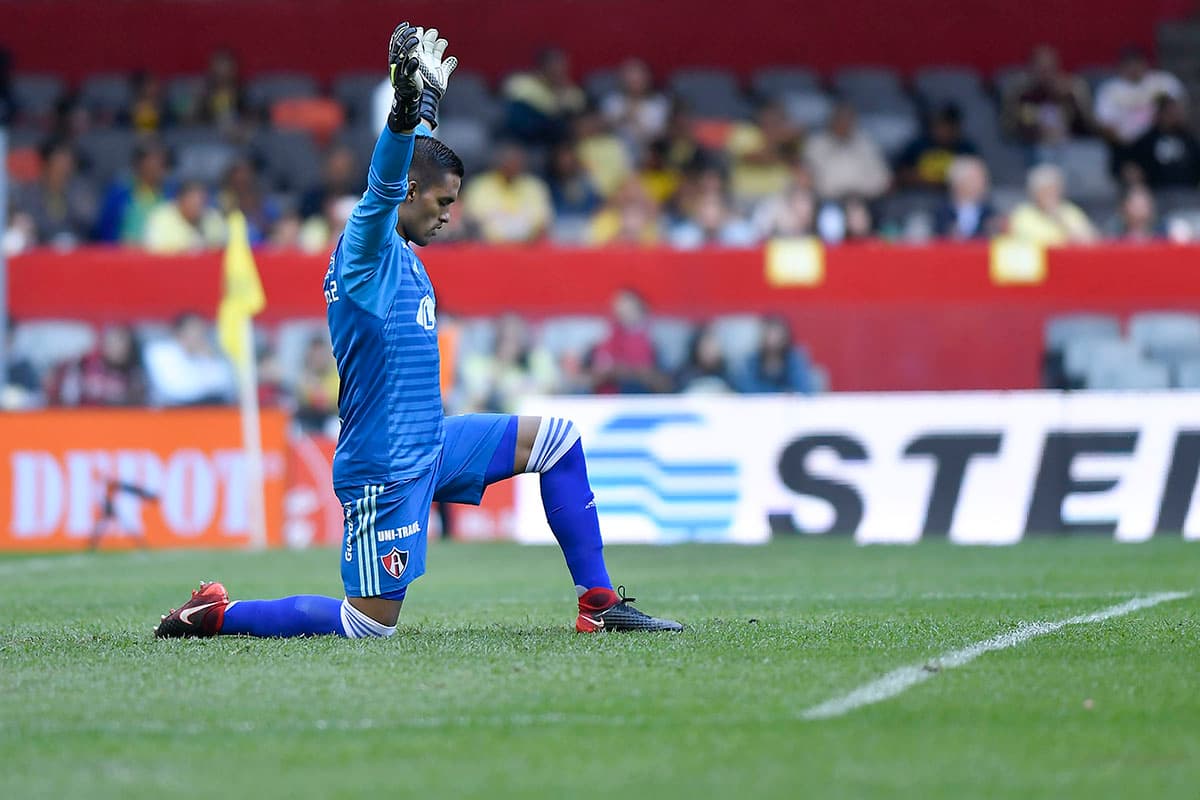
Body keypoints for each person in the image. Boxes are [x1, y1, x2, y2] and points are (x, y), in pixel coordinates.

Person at [155, 24, 681, 640]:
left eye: (454, 203)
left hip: (431, 442)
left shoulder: (401, 238)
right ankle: (216, 615)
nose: (448, 215)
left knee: (557, 442)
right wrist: (405, 118)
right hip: (385, 466)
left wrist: (424, 112)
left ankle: (599, 603)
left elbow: (409, 173)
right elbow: (386, 184)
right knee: (367, 628)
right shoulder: (366, 247)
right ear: (408, 194)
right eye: (442, 203)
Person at [460, 313, 560, 413]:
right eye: (504, 338)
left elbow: (552, 388)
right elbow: (477, 397)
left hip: (533, 416)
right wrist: (501, 365)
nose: (511, 343)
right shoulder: (477, 363)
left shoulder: (538, 358)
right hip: (496, 418)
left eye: (516, 336)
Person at [1002, 45, 1092, 157]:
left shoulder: (1069, 93)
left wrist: (1068, 98)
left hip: (1070, 147)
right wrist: (1040, 132)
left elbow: (1085, 129)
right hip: (1035, 148)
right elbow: (1022, 126)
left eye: (1050, 68)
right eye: (1041, 68)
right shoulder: (1025, 96)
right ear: (1031, 68)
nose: (1045, 73)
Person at [460, 139, 554, 242]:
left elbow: (542, 221)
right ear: (498, 163)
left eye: (516, 162)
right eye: (508, 161)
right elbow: (473, 220)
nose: (512, 165)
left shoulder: (535, 187)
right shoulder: (479, 186)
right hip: (487, 249)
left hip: (528, 249)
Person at [1095, 48, 1186, 152]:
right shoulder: (1110, 90)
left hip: (1161, 141)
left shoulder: (1163, 82)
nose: (1134, 68)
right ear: (1121, 67)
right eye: (1129, 64)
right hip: (1127, 146)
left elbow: (1180, 110)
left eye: (1137, 63)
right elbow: (1105, 125)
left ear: (1145, 64)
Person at [12, 139, 96, 247]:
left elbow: (89, 220)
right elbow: (27, 221)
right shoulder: (30, 192)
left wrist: (66, 192)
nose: (64, 167)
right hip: (41, 249)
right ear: (46, 163)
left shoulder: (81, 189)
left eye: (68, 162)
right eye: (59, 161)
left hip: (78, 249)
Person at [588, 287, 673, 394]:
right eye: (620, 305)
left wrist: (638, 372)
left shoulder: (656, 338)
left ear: (642, 308)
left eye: (630, 306)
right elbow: (594, 376)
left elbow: (666, 382)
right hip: (609, 396)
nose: (624, 310)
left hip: (645, 396)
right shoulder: (605, 337)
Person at [142, 312, 236, 405]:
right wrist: (206, 385)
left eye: (202, 331)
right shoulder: (159, 351)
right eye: (192, 330)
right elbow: (176, 389)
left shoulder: (206, 353)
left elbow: (225, 386)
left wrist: (209, 359)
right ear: (178, 332)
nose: (197, 336)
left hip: (207, 408)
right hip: (170, 411)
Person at [804, 103, 891, 200]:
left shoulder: (865, 143)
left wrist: (859, 192)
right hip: (827, 201)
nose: (844, 124)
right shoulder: (816, 144)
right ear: (831, 121)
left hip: (866, 200)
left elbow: (883, 179)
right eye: (840, 119)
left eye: (848, 120)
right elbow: (814, 182)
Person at [47, 324, 147, 406]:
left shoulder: (135, 375)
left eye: (122, 341)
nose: (117, 347)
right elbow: (65, 396)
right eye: (112, 341)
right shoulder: (84, 365)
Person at [93, 140, 170, 244]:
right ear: (139, 164)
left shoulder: (170, 195)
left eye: (161, 163)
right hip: (124, 256)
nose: (157, 168)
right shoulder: (119, 194)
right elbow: (106, 231)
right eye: (153, 162)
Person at [1120, 95, 1200, 189]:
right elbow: (1128, 164)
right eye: (1171, 113)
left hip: (1188, 193)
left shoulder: (1189, 140)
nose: (1176, 116)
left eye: (1178, 113)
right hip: (1155, 193)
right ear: (1160, 114)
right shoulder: (1146, 141)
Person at [1007, 163, 1098, 246]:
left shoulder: (1070, 211)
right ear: (1034, 192)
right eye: (1045, 190)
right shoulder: (1023, 214)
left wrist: (1061, 220)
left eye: (1054, 189)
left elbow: (1090, 241)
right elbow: (1021, 244)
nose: (1050, 194)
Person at [896, 103, 978, 189]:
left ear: (955, 127)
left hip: (953, 199)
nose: (939, 130)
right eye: (937, 125)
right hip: (918, 196)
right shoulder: (919, 145)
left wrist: (933, 179)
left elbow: (973, 180)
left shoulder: (966, 149)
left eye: (945, 125)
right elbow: (901, 174)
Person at [734, 316, 816, 394]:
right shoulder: (752, 361)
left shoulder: (795, 358)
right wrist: (779, 393)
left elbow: (803, 388)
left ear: (785, 336)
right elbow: (746, 390)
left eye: (777, 333)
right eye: (769, 333)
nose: (772, 338)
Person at [143, 181, 225, 253]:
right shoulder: (161, 217)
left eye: (201, 202)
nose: (197, 206)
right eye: (192, 201)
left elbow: (222, 247)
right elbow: (154, 252)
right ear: (180, 200)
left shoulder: (212, 218)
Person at [934, 156, 998, 239]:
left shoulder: (993, 215)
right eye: (975, 179)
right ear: (958, 182)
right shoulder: (938, 214)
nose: (983, 184)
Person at [675, 324, 734, 393]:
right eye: (705, 347)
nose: (710, 351)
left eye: (712, 347)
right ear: (697, 348)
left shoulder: (728, 373)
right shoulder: (685, 375)